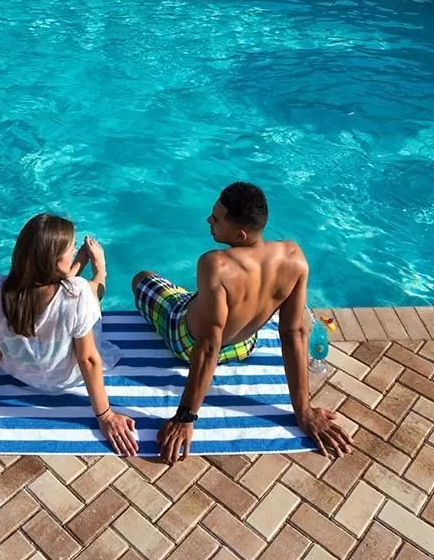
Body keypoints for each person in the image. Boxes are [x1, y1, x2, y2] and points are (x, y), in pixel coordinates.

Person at [132, 183, 352, 462]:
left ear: (240, 234)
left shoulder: (215, 264)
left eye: (216, 219)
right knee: (204, 300)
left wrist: (185, 417)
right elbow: (293, 331)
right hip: (244, 345)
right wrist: (304, 412)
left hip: (188, 342)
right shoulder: (294, 258)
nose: (208, 221)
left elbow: (209, 345)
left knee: (142, 278)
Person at [0, 214, 138, 456]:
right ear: (57, 260)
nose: (72, 250)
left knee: (72, 291)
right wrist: (106, 415)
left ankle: (78, 267)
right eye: (71, 250)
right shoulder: (77, 295)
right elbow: (87, 360)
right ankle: (100, 269)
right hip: (67, 379)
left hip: (21, 373)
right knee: (91, 292)